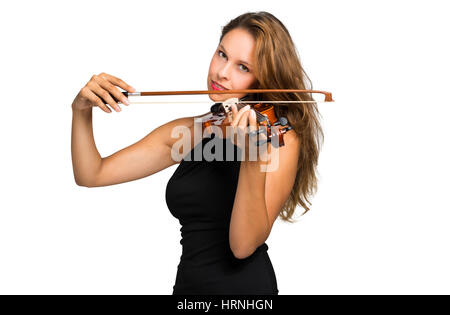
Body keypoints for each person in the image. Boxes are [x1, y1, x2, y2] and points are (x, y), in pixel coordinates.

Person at [71, 11, 323, 295]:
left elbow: (243, 246)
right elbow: (92, 174)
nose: (221, 72)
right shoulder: (194, 130)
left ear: (264, 79)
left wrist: (252, 159)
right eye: (222, 54)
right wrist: (80, 111)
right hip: (188, 290)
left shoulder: (279, 139)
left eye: (243, 67)